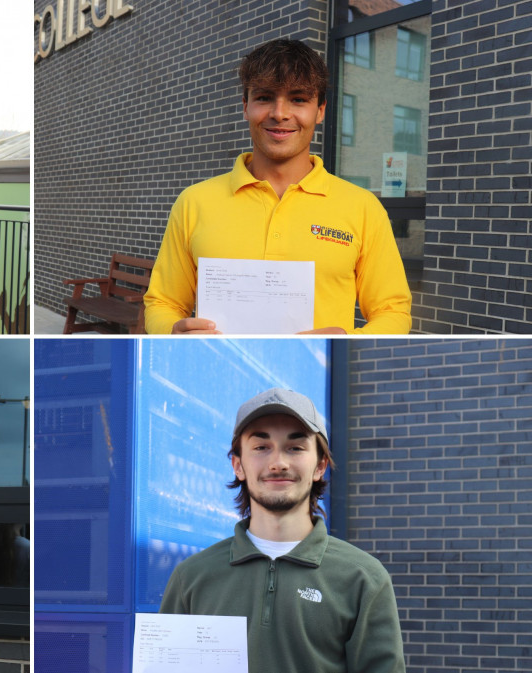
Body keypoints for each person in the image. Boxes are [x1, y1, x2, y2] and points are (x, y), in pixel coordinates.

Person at [144, 38, 412, 335]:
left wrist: (346, 341)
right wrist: (171, 333)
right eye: (264, 98)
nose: (280, 113)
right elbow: (163, 302)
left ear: (320, 110)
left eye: (298, 99)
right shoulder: (194, 202)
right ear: (245, 106)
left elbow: (392, 310)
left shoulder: (362, 208)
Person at [159, 388, 406, 672]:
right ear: (238, 465)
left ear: (320, 466)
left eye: (295, 448)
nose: (278, 463)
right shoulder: (190, 578)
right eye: (261, 447)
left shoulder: (365, 579)